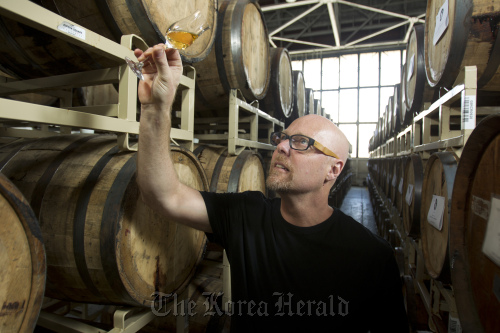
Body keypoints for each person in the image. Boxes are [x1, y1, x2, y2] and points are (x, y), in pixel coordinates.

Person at [135, 44, 409, 333]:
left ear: (334, 169)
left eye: (301, 143)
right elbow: (163, 196)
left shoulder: (370, 256)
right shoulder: (246, 214)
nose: (280, 146)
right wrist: (156, 107)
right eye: (283, 137)